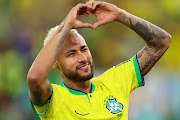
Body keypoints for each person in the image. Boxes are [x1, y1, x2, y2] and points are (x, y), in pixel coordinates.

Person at [27, 0, 172, 119]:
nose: (83, 58)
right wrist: (67, 24)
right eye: (71, 54)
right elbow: (34, 79)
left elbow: (161, 42)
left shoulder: (114, 81)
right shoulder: (52, 99)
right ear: (55, 64)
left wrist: (120, 15)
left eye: (83, 49)